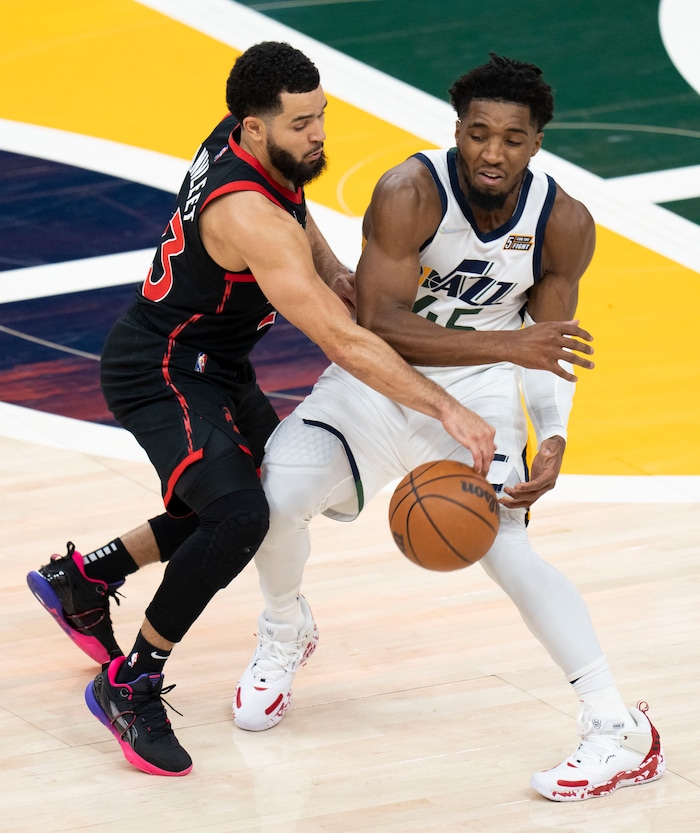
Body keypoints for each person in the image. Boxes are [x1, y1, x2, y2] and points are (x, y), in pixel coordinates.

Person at [26, 46, 595, 775]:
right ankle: (131, 679)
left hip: (218, 364)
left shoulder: (247, 143)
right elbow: (345, 340)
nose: (321, 132)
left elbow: (294, 210)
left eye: (321, 114)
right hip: (165, 369)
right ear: (258, 128)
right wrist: (445, 409)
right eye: (304, 123)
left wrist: (328, 264)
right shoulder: (249, 217)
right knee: (241, 516)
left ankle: (86, 576)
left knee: (262, 491)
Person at [228, 54, 665, 802]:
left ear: (538, 143)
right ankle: (284, 628)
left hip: (483, 395)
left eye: (513, 138)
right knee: (273, 496)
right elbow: (378, 322)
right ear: (457, 130)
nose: (493, 152)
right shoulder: (408, 192)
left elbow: (547, 347)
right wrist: (505, 340)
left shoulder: (564, 223)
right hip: (379, 383)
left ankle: (616, 726)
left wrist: (553, 437)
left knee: (508, 546)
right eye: (479, 133)